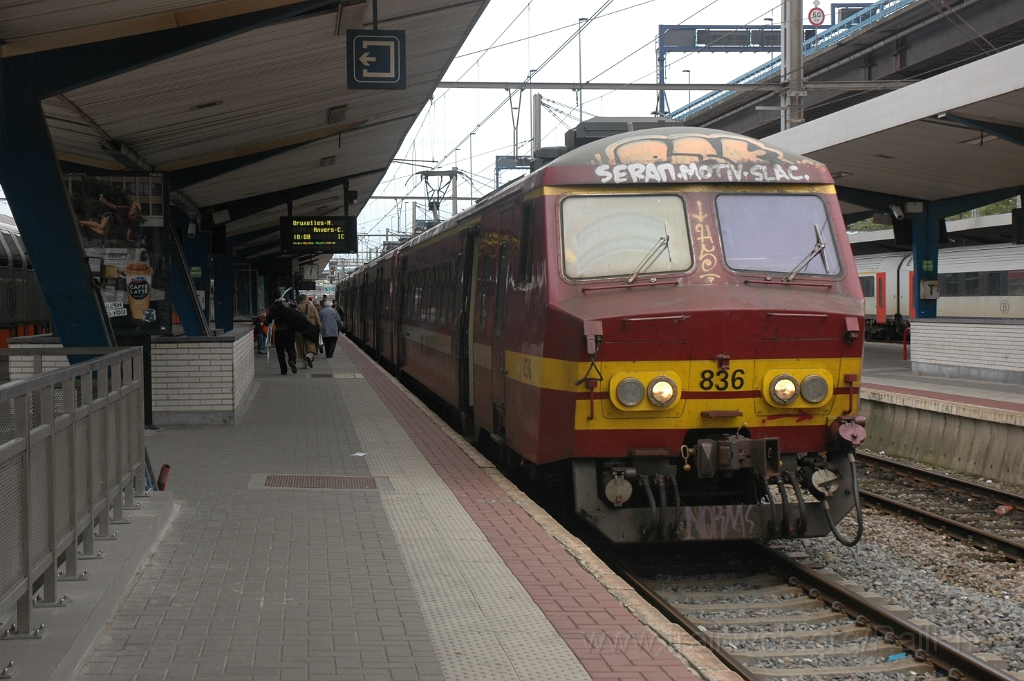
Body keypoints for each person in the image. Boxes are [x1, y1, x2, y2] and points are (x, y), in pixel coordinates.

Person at [264, 290, 298, 375]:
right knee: (291, 348)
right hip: (289, 331)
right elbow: (296, 315)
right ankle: (292, 360)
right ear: (281, 295)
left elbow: (268, 320)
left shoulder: (272, 307)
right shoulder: (289, 304)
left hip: (279, 331)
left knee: (280, 351)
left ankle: (283, 370)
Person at [296, 294, 322, 368]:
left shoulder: (296, 308)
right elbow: (317, 318)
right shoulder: (312, 307)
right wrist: (319, 327)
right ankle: (309, 356)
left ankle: (304, 365)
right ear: (306, 299)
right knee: (311, 345)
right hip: (310, 329)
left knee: (302, 346)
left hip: (299, 330)